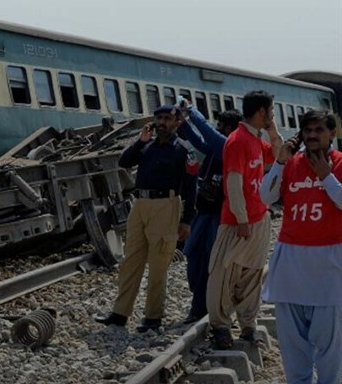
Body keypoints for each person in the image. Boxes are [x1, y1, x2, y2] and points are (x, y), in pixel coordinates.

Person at [260, 109, 342, 384]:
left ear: (331, 134)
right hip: (292, 258)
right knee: (292, 333)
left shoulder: (340, 164)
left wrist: (326, 177)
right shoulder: (291, 165)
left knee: (328, 335)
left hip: (329, 262)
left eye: (318, 130)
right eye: (307, 130)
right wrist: (279, 162)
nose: (311, 136)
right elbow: (265, 196)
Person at [95, 105, 198, 332]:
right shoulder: (147, 146)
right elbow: (124, 162)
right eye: (159, 118)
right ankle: (120, 314)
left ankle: (153, 317)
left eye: (168, 119)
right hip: (140, 205)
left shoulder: (183, 150)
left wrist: (186, 220)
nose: (162, 122)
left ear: (177, 123)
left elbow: (191, 189)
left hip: (166, 205)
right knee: (131, 260)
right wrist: (141, 141)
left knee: (158, 264)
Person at [206, 91, 283, 349]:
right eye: (271, 111)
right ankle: (220, 327)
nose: (272, 115)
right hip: (238, 221)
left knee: (252, 274)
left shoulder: (255, 139)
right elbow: (234, 182)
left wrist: (272, 131)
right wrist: (241, 218)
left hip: (258, 217)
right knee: (224, 273)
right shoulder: (238, 141)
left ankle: (248, 326)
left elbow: (279, 153)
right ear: (261, 111)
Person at [177, 105, 243, 324]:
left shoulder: (231, 147)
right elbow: (200, 143)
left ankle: (203, 308)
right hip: (203, 212)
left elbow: (208, 139)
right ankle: (201, 304)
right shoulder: (217, 149)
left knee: (210, 260)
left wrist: (192, 113)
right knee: (195, 257)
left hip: (218, 215)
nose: (219, 129)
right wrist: (183, 123)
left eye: (223, 126)